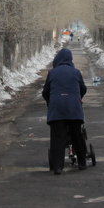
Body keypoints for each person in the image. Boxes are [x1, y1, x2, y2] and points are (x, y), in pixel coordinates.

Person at [42, 47, 87, 175]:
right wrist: (77, 99)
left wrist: (50, 102)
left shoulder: (52, 73)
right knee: (77, 135)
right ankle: (82, 163)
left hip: (57, 110)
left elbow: (45, 92)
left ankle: (58, 167)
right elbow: (83, 89)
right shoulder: (76, 72)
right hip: (74, 109)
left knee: (57, 138)